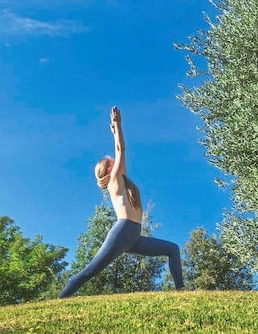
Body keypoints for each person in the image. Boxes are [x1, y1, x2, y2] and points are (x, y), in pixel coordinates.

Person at [59, 106, 184, 298]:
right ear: (109, 169)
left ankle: (181, 292)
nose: (113, 159)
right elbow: (121, 150)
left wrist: (116, 129)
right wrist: (118, 126)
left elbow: (119, 153)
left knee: (173, 249)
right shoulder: (115, 180)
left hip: (133, 236)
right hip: (123, 231)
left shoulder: (121, 180)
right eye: (110, 161)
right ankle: (62, 298)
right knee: (90, 271)